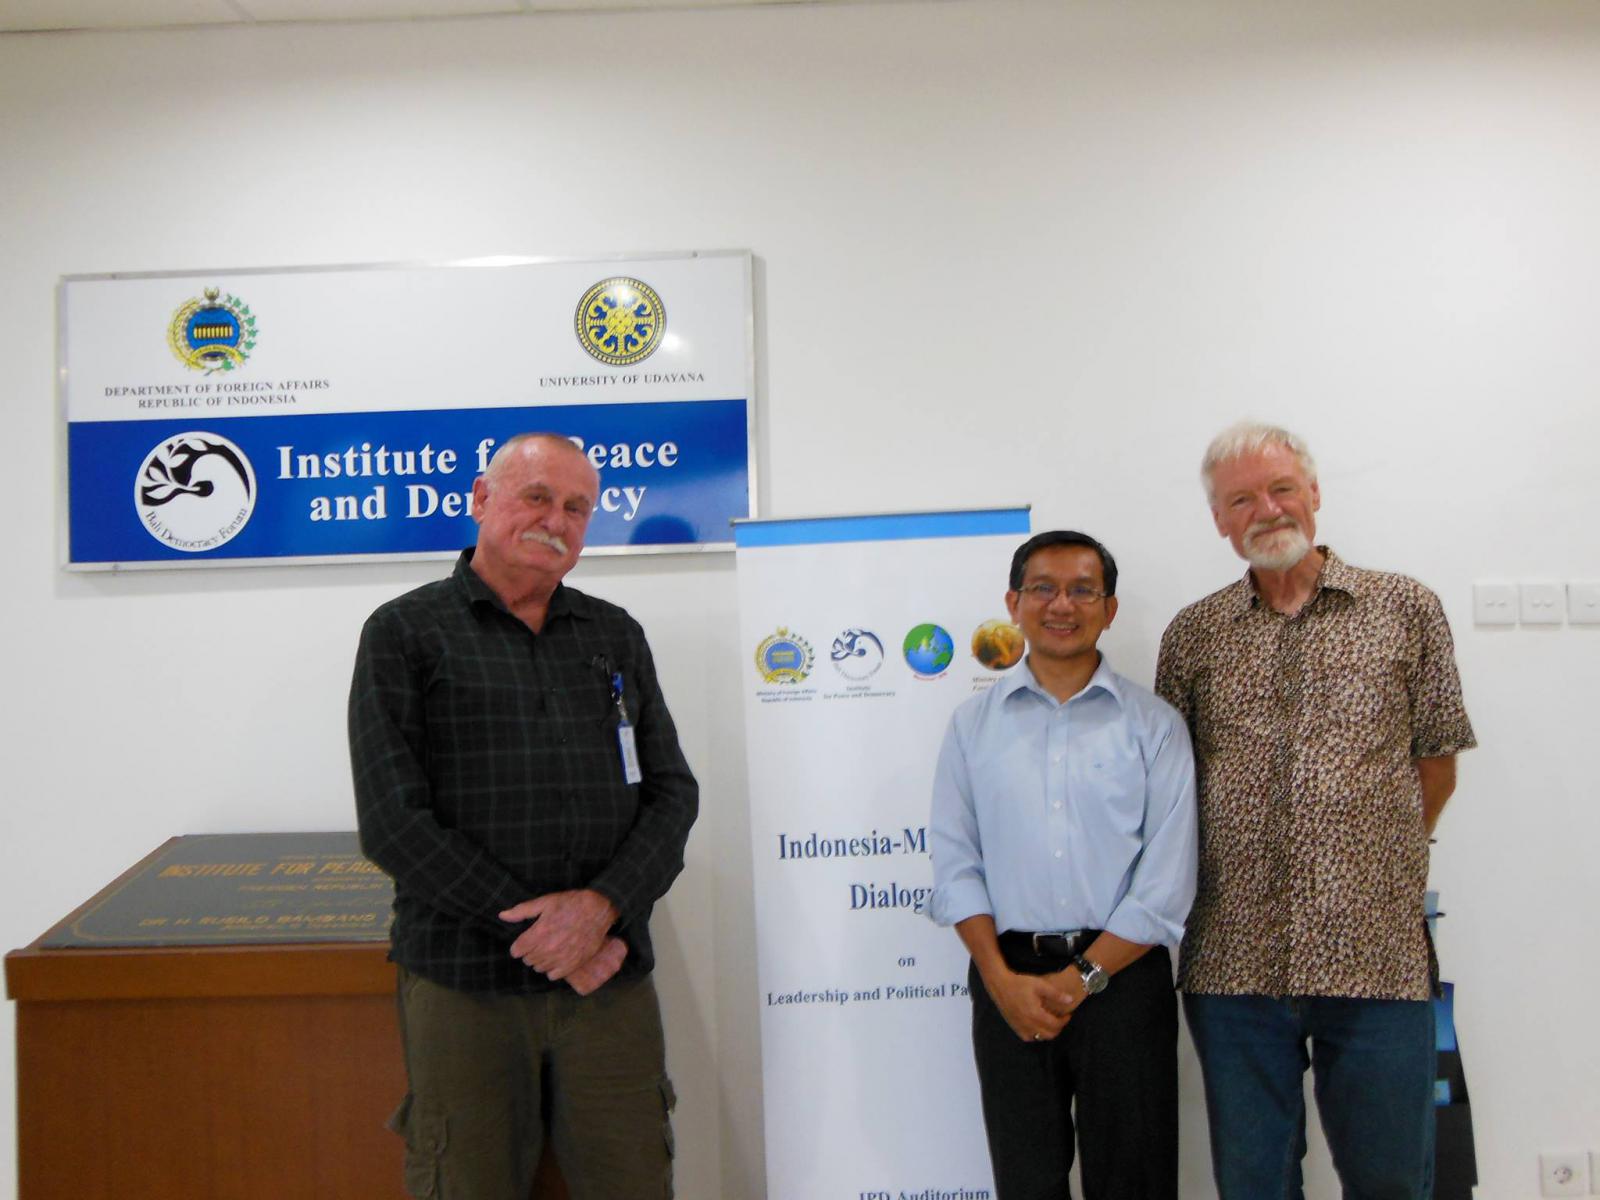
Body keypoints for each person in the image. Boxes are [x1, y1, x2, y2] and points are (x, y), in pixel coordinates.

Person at [349, 432, 698, 1200]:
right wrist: (549, 936)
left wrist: (601, 909)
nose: (558, 520)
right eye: (537, 496)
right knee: (462, 1182)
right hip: (464, 986)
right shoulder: (404, 634)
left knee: (636, 1179)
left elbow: (672, 793)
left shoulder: (614, 636)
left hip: (609, 985)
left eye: (577, 507)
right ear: (481, 499)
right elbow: (393, 820)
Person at [1156, 421, 1476, 1200]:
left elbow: (1436, 763)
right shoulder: (1193, 634)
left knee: (1391, 1182)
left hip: (1376, 956)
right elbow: (1171, 787)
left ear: (1315, 494)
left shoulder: (1405, 608)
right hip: (1233, 966)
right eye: (1242, 499)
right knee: (1253, 1185)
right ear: (1220, 521)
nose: (1267, 509)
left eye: (1281, 488)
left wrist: (1381, 852)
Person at [929, 530, 1198, 1200]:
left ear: (1109, 610)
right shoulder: (972, 726)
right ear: (1013, 603)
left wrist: (1083, 979)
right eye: (1044, 588)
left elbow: (1166, 882)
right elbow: (956, 863)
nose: (1062, 604)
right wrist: (998, 977)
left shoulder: (1154, 725)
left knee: (1134, 1180)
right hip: (1007, 982)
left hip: (1123, 985)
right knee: (1026, 1182)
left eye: (1084, 590)